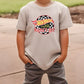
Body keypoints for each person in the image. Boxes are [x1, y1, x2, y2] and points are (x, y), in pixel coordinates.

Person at [16, 0, 73, 84]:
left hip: (55, 59)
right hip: (32, 59)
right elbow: (20, 33)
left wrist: (63, 54)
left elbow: (64, 32)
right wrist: (21, 55)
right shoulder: (26, 10)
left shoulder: (61, 9)